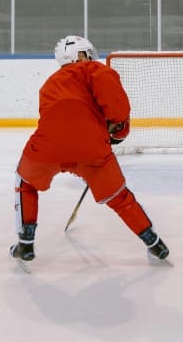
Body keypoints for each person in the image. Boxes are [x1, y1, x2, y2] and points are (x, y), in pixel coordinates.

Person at [11, 35, 169, 262]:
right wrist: (118, 132)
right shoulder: (95, 70)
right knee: (120, 197)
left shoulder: (49, 83)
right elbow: (118, 108)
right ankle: (154, 243)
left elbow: (56, 118)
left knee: (25, 183)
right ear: (82, 55)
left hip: (48, 147)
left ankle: (25, 244)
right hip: (92, 148)